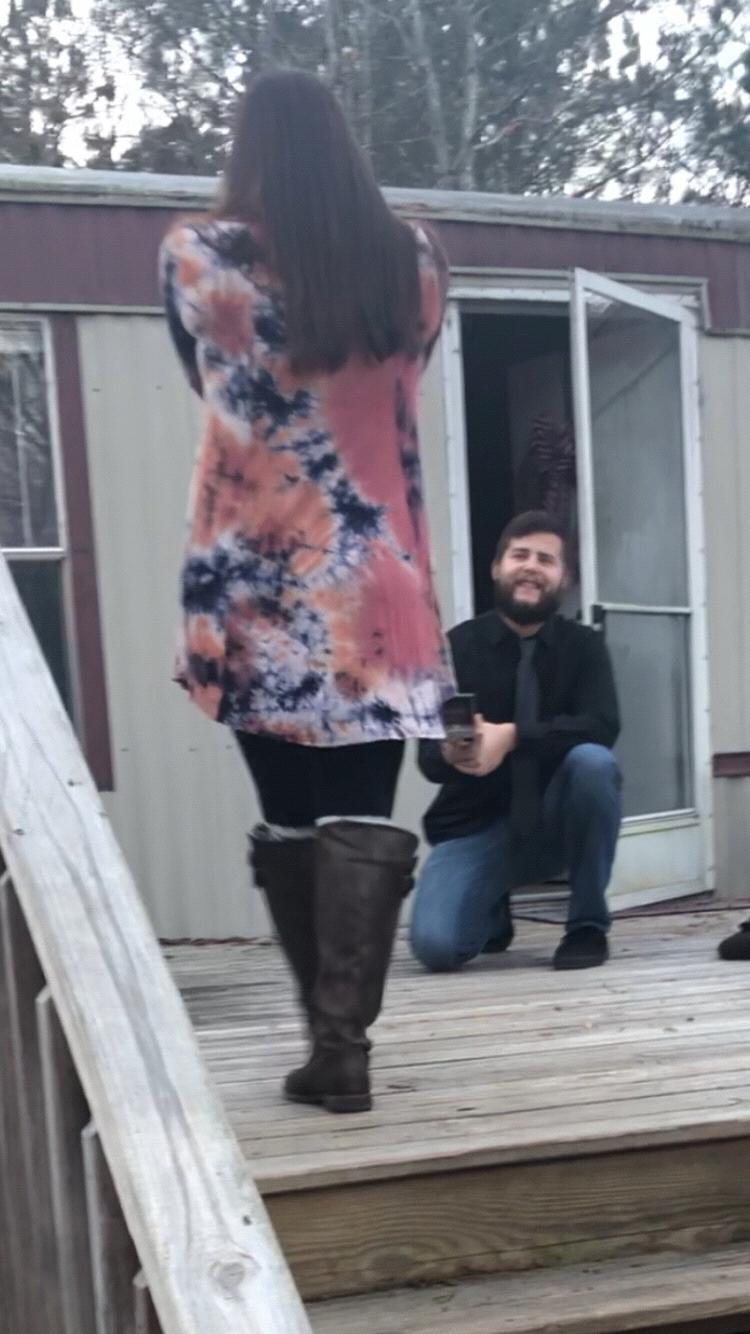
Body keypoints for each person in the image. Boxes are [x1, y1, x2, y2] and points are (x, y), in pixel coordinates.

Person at [159, 69, 455, 1113]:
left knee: (288, 819)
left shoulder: (197, 257)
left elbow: (207, 379)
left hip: (253, 580)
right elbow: (409, 372)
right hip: (375, 580)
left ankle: (329, 1047)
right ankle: (345, 1046)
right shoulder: (414, 260)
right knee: (361, 818)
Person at [410, 511, 622, 973]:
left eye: (545, 560)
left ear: (564, 578)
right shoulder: (456, 648)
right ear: (496, 567)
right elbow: (427, 758)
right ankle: (492, 910)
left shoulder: (584, 646)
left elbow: (602, 726)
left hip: (554, 821)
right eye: (519, 555)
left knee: (594, 764)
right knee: (436, 947)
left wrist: (512, 736)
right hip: (476, 825)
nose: (530, 567)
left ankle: (587, 925)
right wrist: (452, 752)